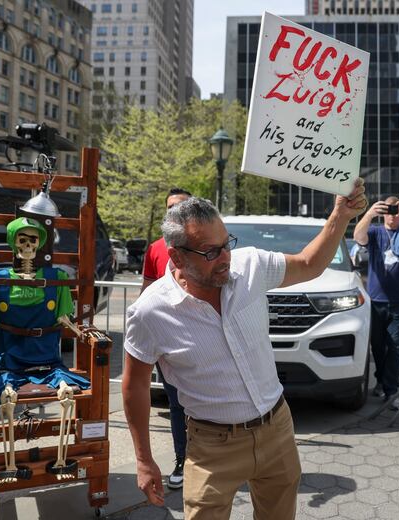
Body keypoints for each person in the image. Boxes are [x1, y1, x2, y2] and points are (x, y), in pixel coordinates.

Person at [122, 182, 367, 519]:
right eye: (211, 252)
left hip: (276, 429)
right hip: (211, 446)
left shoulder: (249, 265)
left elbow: (309, 263)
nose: (225, 259)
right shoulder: (150, 312)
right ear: (177, 255)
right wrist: (144, 460)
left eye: (226, 245)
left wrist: (340, 215)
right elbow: (134, 386)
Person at [138, 188, 191, 489]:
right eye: (170, 207)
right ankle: (182, 459)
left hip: (201, 337)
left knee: (205, 403)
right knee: (176, 404)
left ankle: (212, 461)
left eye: (181, 207)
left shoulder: (203, 245)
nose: (175, 211)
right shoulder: (155, 248)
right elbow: (146, 291)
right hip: (166, 341)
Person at [352, 196, 399, 409]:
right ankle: (382, 381)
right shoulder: (375, 232)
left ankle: (391, 391)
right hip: (376, 302)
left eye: (397, 211)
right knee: (378, 347)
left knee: (396, 347)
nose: (394, 215)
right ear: (383, 213)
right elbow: (358, 236)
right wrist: (370, 213)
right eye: (390, 211)